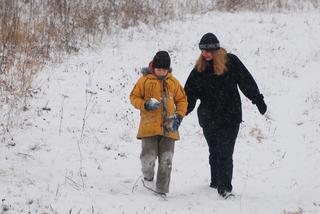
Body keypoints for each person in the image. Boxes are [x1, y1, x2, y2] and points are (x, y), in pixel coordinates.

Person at [184, 33, 267, 199]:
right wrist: (181, 112)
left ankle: (225, 187)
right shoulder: (199, 69)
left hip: (230, 116)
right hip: (208, 118)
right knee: (214, 151)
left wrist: (257, 99)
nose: (205, 54)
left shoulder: (231, 62)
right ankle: (215, 181)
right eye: (202, 50)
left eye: (208, 50)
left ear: (216, 49)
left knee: (225, 152)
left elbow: (246, 81)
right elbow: (189, 95)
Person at [130, 50, 188, 196]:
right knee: (147, 157)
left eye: (164, 69)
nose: (161, 72)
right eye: (158, 69)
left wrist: (179, 116)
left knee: (166, 160)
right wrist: (145, 104)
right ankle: (148, 176)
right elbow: (133, 97)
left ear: (168, 69)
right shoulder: (144, 81)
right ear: (153, 67)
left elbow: (182, 100)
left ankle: (162, 190)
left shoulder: (173, 82)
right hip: (149, 127)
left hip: (169, 128)